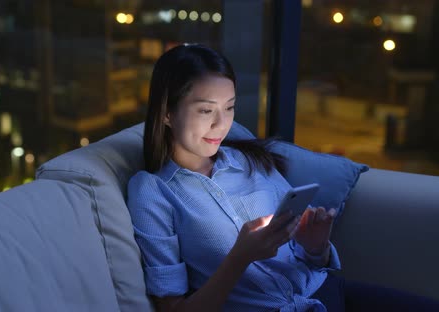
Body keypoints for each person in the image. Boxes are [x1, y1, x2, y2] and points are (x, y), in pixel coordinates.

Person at [126, 43, 439, 312]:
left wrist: (316, 247)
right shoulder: (152, 191)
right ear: (167, 112)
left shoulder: (250, 160)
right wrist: (240, 257)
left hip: (327, 293)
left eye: (230, 107)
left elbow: (308, 259)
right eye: (206, 111)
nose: (222, 125)